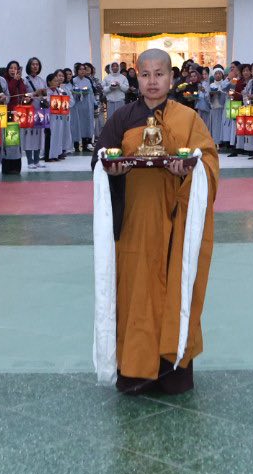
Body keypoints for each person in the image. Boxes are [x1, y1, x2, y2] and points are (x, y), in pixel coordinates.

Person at [92, 48, 219, 395]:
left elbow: (207, 161)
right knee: (135, 294)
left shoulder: (188, 118)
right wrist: (112, 171)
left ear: (171, 78)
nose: (152, 81)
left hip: (175, 223)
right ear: (136, 77)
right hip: (133, 224)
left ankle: (173, 370)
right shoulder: (122, 118)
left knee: (175, 289)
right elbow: (100, 157)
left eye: (159, 74)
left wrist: (187, 172)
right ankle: (135, 371)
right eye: (145, 74)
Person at [70, 62, 99, 153]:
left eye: (84, 69)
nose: (82, 71)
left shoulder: (88, 80)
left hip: (87, 105)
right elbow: (72, 92)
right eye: (80, 69)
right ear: (77, 71)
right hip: (78, 106)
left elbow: (91, 93)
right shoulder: (73, 80)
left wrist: (94, 102)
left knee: (87, 124)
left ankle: (86, 144)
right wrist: (78, 93)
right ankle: (76, 145)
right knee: (78, 125)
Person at [47, 70, 71, 160]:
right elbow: (47, 102)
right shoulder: (47, 91)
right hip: (51, 116)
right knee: (52, 135)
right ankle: (50, 155)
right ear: (49, 82)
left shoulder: (59, 90)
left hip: (59, 116)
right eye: (55, 81)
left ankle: (57, 153)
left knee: (59, 135)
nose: (57, 82)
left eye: (57, 81)